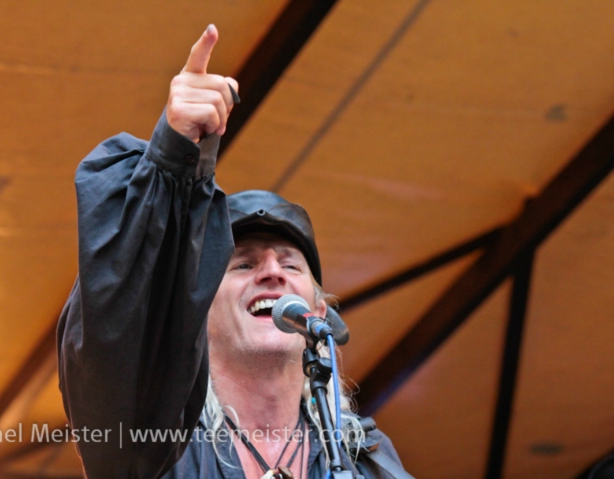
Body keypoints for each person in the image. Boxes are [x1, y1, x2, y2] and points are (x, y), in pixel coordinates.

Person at [57, 25, 411, 479]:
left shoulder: (365, 461)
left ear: (319, 311)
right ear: (197, 308)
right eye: (243, 264)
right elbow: (112, 330)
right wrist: (173, 159)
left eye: (289, 264)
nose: (271, 273)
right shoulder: (153, 445)